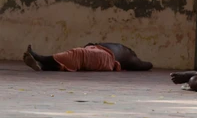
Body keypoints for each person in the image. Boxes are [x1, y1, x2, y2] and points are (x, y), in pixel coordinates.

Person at [23, 42, 153, 72]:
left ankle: (40, 57)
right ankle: (42, 66)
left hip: (107, 57)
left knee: (78, 54)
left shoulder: (131, 58)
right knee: (73, 62)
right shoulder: (123, 49)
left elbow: (147, 65)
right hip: (97, 51)